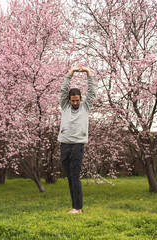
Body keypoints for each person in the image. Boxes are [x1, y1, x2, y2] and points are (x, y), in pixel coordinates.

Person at [58, 65, 97, 214]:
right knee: (70, 177)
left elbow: (92, 92)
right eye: (73, 101)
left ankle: (78, 208)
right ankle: (74, 206)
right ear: (69, 100)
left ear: (81, 99)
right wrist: (71, 72)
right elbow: (63, 89)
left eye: (77, 100)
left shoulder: (85, 107)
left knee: (75, 176)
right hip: (64, 144)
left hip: (77, 145)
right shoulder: (65, 106)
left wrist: (88, 72)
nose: (75, 103)